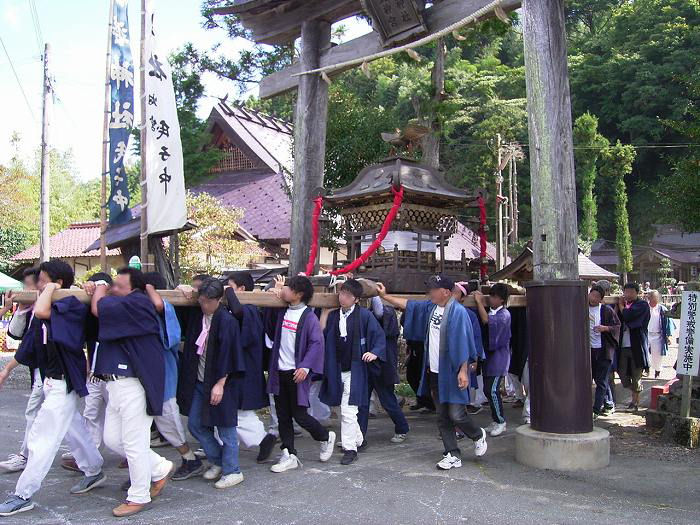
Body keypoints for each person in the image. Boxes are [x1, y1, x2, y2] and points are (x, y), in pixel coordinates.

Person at [0, 260, 105, 517]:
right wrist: (7, 369)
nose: (37, 285)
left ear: (57, 283)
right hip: (50, 379)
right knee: (74, 428)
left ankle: (23, 494)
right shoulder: (48, 303)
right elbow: (28, 344)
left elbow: (44, 312)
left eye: (42, 280)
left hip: (63, 380)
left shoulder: (69, 304)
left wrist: (50, 290)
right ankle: (93, 470)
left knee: (42, 437)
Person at [86, 267, 173, 517]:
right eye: (112, 285)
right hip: (114, 384)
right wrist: (102, 289)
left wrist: (100, 286)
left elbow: (98, 308)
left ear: (134, 290)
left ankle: (138, 496)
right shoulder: (126, 304)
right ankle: (159, 468)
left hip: (133, 383)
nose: (113, 289)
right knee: (113, 439)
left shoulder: (138, 304)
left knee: (134, 443)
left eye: (118, 286)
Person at [378, 275, 487, 470]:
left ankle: (478, 434)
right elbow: (408, 305)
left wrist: (463, 371)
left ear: (445, 292)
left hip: (452, 372)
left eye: (433, 289)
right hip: (434, 371)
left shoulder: (458, 313)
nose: (430, 292)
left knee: (457, 415)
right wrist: (384, 296)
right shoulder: (430, 308)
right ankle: (452, 454)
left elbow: (464, 343)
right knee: (442, 415)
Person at [177, 278, 246, 489]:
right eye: (201, 300)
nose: (203, 304)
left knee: (226, 428)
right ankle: (217, 461)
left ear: (217, 300)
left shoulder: (227, 321)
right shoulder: (198, 316)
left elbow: (231, 354)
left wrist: (221, 383)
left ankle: (233, 470)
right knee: (195, 424)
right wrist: (182, 289)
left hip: (221, 381)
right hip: (199, 380)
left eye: (208, 301)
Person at [265, 275, 336, 472]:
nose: (284, 290)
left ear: (299, 294)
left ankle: (325, 436)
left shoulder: (308, 317)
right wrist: (274, 293)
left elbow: (316, 343)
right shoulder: (283, 312)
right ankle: (289, 453)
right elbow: (269, 329)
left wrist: (305, 367)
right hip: (280, 372)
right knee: (283, 416)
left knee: (300, 415)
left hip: (297, 373)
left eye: (288, 287)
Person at [138, 272, 201, 480]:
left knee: (167, 418)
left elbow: (171, 338)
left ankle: (190, 458)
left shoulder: (167, 307)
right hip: (140, 376)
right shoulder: (133, 307)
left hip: (163, 373)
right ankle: (142, 467)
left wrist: (153, 290)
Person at [319, 279, 385, 465]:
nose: (343, 298)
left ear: (356, 299)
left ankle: (350, 449)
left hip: (356, 370)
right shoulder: (333, 316)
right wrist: (324, 313)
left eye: (348, 295)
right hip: (335, 367)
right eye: (341, 293)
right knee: (340, 408)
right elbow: (322, 334)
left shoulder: (364, 316)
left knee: (348, 410)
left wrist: (374, 353)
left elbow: (379, 336)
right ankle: (358, 439)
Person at [224, 272, 276, 463]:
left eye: (231, 286)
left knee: (240, 412)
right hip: (240, 366)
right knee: (234, 411)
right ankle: (226, 444)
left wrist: (228, 293)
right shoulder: (244, 309)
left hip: (245, 367)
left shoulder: (250, 310)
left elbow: (239, 313)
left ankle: (263, 439)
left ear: (241, 289)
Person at [0, 268, 41, 473]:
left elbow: (30, 343)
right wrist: (17, 308)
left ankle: (25, 456)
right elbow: (15, 335)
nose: (24, 290)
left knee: (36, 412)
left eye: (28, 286)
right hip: (38, 371)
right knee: (60, 418)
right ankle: (89, 461)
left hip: (50, 371)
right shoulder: (30, 309)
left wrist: (7, 368)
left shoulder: (47, 307)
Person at [357, 296, 410, 446]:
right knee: (362, 403)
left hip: (383, 365)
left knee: (388, 401)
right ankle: (358, 435)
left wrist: (375, 293)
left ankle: (402, 428)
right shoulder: (364, 315)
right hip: (366, 364)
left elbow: (380, 312)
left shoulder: (387, 314)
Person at [473, 284, 511, 437]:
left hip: (499, 359)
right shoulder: (494, 311)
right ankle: (496, 420)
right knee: (487, 390)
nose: (491, 299)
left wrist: (478, 302)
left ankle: (501, 421)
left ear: (501, 299)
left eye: (494, 296)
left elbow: (487, 320)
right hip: (490, 358)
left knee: (493, 391)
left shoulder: (504, 314)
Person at [451, 282, 486, 415]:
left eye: (456, 292)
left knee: (463, 387)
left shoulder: (469, 315)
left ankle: (462, 416)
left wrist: (475, 357)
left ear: (462, 298)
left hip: (463, 357)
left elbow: (476, 337)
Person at [616, 282, 651, 411]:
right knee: (622, 373)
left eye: (631, 292)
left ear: (637, 293)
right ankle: (635, 392)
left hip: (637, 345)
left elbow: (629, 316)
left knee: (636, 375)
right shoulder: (622, 304)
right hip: (623, 345)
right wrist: (618, 306)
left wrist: (621, 306)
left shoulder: (641, 305)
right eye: (626, 291)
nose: (628, 294)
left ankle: (635, 402)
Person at [588, 284, 620, 418]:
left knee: (601, 380)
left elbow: (617, 326)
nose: (593, 298)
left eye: (597, 296)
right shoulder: (582, 308)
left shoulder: (606, 310)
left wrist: (605, 328)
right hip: (589, 349)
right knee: (597, 378)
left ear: (601, 299)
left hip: (603, 349)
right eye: (592, 294)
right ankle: (609, 403)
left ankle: (595, 410)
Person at [647, 290, 672, 379]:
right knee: (644, 353)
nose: (653, 299)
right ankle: (646, 369)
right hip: (646, 334)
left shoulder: (662, 309)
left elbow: (668, 323)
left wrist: (668, 336)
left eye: (655, 297)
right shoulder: (645, 307)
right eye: (651, 297)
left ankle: (657, 371)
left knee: (657, 355)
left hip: (658, 335)